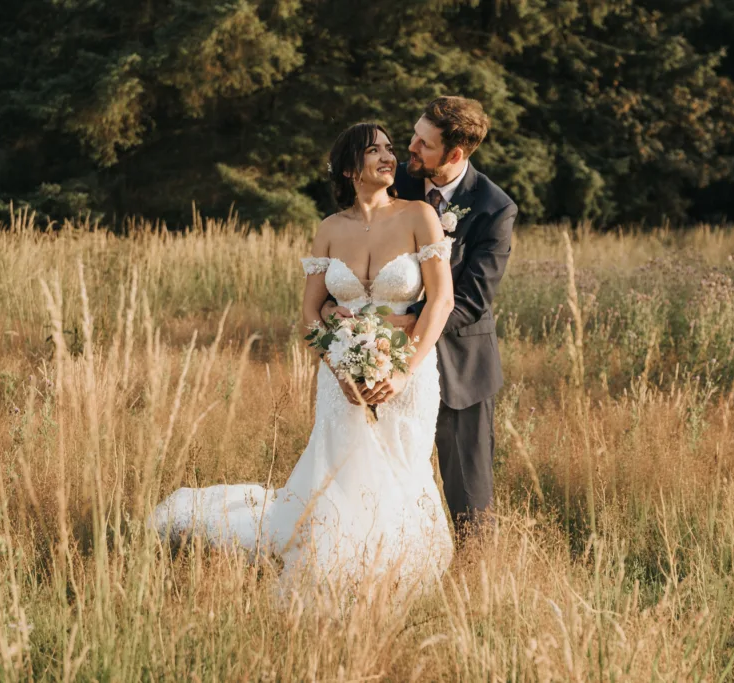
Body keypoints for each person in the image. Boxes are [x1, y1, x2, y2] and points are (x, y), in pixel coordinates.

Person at [150, 122, 456, 595]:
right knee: (341, 468)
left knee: (403, 463)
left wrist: (401, 372)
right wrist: (338, 366)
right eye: (374, 150)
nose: (389, 156)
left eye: (390, 149)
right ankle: (339, 561)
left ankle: (396, 566)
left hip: (407, 372)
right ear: (351, 167)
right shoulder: (329, 230)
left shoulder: (419, 215)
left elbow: (441, 302)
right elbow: (310, 314)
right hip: (339, 374)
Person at [322, 96, 518, 540]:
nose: (408, 148)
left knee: (469, 490)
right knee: (378, 477)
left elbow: (472, 298)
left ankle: (476, 579)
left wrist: (400, 325)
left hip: (459, 362)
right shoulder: (401, 185)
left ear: (454, 155)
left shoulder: (493, 208)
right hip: (377, 358)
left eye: (422, 144)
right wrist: (358, 330)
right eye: (411, 136)